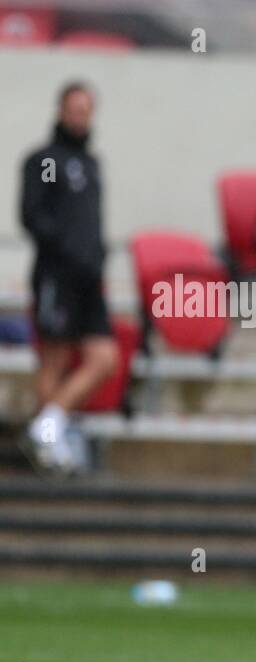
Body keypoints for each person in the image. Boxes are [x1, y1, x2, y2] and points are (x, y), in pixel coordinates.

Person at [19, 81, 117, 475]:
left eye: (86, 110)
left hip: (89, 277)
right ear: (60, 110)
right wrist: (65, 249)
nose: (80, 116)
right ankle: (48, 449)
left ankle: (45, 426)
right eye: (74, 109)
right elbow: (32, 214)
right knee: (54, 360)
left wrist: (95, 255)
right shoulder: (44, 160)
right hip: (57, 276)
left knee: (104, 357)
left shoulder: (92, 163)